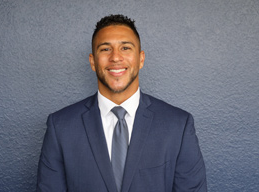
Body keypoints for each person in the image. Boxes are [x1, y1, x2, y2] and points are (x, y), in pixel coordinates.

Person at [37, 14, 207, 192]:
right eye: (105, 49)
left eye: (125, 48)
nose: (115, 57)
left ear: (141, 59)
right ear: (93, 61)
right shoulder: (61, 127)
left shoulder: (178, 125)